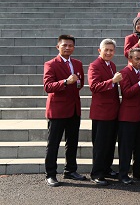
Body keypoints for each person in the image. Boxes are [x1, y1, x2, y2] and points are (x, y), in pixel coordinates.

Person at [43, 35, 86, 187]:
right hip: (58, 109)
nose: (67, 48)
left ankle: (70, 170)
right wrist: (66, 82)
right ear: (58, 47)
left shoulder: (78, 63)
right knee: (53, 143)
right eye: (64, 45)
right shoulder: (51, 64)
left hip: (74, 109)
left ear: (74, 47)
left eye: (70, 45)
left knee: (72, 142)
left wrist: (74, 83)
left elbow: (80, 83)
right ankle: (51, 174)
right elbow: (48, 86)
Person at [88, 39, 122, 186]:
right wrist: (112, 81)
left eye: (111, 50)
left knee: (109, 143)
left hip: (113, 111)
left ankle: (106, 168)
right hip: (101, 112)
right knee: (100, 145)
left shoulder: (112, 65)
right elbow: (94, 86)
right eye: (106, 50)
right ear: (99, 50)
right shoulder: (94, 66)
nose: (108, 52)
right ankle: (97, 173)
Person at [118, 48, 140, 185]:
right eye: (137, 58)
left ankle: (138, 171)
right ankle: (123, 174)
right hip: (128, 116)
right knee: (126, 147)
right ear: (130, 59)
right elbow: (126, 93)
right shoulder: (124, 72)